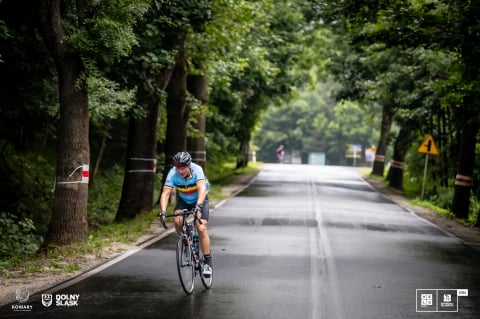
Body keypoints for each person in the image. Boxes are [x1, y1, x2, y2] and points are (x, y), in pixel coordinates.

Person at [158, 151, 212, 277]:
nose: (180, 171)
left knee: (201, 227)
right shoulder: (173, 173)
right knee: (177, 220)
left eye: (183, 168)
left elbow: (202, 189)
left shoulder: (197, 170)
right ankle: (185, 243)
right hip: (184, 200)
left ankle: (207, 262)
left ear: (189, 165)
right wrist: (163, 211)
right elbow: (166, 192)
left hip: (200, 199)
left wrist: (198, 206)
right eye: (178, 168)